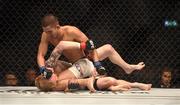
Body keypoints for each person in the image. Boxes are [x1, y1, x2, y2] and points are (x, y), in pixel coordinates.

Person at [37, 14, 145, 77]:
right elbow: (40, 55)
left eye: (50, 31)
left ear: (57, 26)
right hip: (73, 64)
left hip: (87, 59)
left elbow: (90, 45)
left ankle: (128, 68)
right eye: (45, 31)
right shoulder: (45, 35)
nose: (47, 34)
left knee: (108, 48)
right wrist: (42, 68)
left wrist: (97, 63)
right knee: (50, 65)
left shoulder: (72, 31)